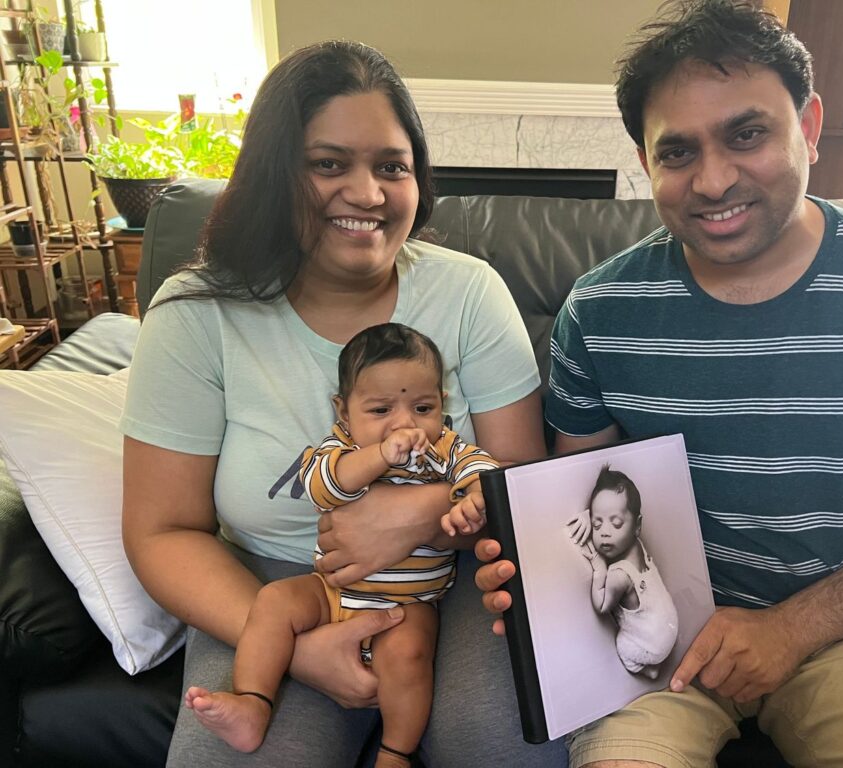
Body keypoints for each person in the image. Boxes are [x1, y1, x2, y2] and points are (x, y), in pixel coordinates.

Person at [475, 1, 843, 766]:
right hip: (666, 636)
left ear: (808, 126)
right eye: (677, 152)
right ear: (645, 161)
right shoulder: (599, 310)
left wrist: (790, 629)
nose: (714, 179)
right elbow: (577, 494)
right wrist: (543, 590)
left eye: (747, 134)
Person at [121, 41, 566, 767]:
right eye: (329, 164)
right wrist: (290, 647)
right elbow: (161, 531)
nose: (368, 194)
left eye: (392, 166)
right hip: (271, 584)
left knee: (508, 746)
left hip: (448, 579)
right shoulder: (196, 314)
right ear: (274, 175)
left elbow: (520, 481)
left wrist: (420, 513)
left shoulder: (470, 290)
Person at [183, 323, 499, 765]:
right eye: (381, 409)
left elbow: (485, 471)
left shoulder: (443, 446)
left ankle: (395, 752)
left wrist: (477, 498)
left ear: (441, 405)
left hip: (407, 605)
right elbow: (324, 488)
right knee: (274, 601)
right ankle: (253, 702)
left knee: (409, 654)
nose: (404, 424)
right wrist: (381, 456)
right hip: (331, 593)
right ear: (344, 412)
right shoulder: (342, 448)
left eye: (422, 406)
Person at [570, 465, 678, 680]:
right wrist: (588, 515)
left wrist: (599, 567)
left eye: (616, 524)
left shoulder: (619, 575)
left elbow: (602, 605)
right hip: (670, 627)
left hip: (651, 646)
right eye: (597, 524)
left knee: (622, 645)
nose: (605, 533)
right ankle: (654, 661)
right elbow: (607, 513)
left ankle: (647, 669)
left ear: (637, 525)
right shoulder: (637, 544)